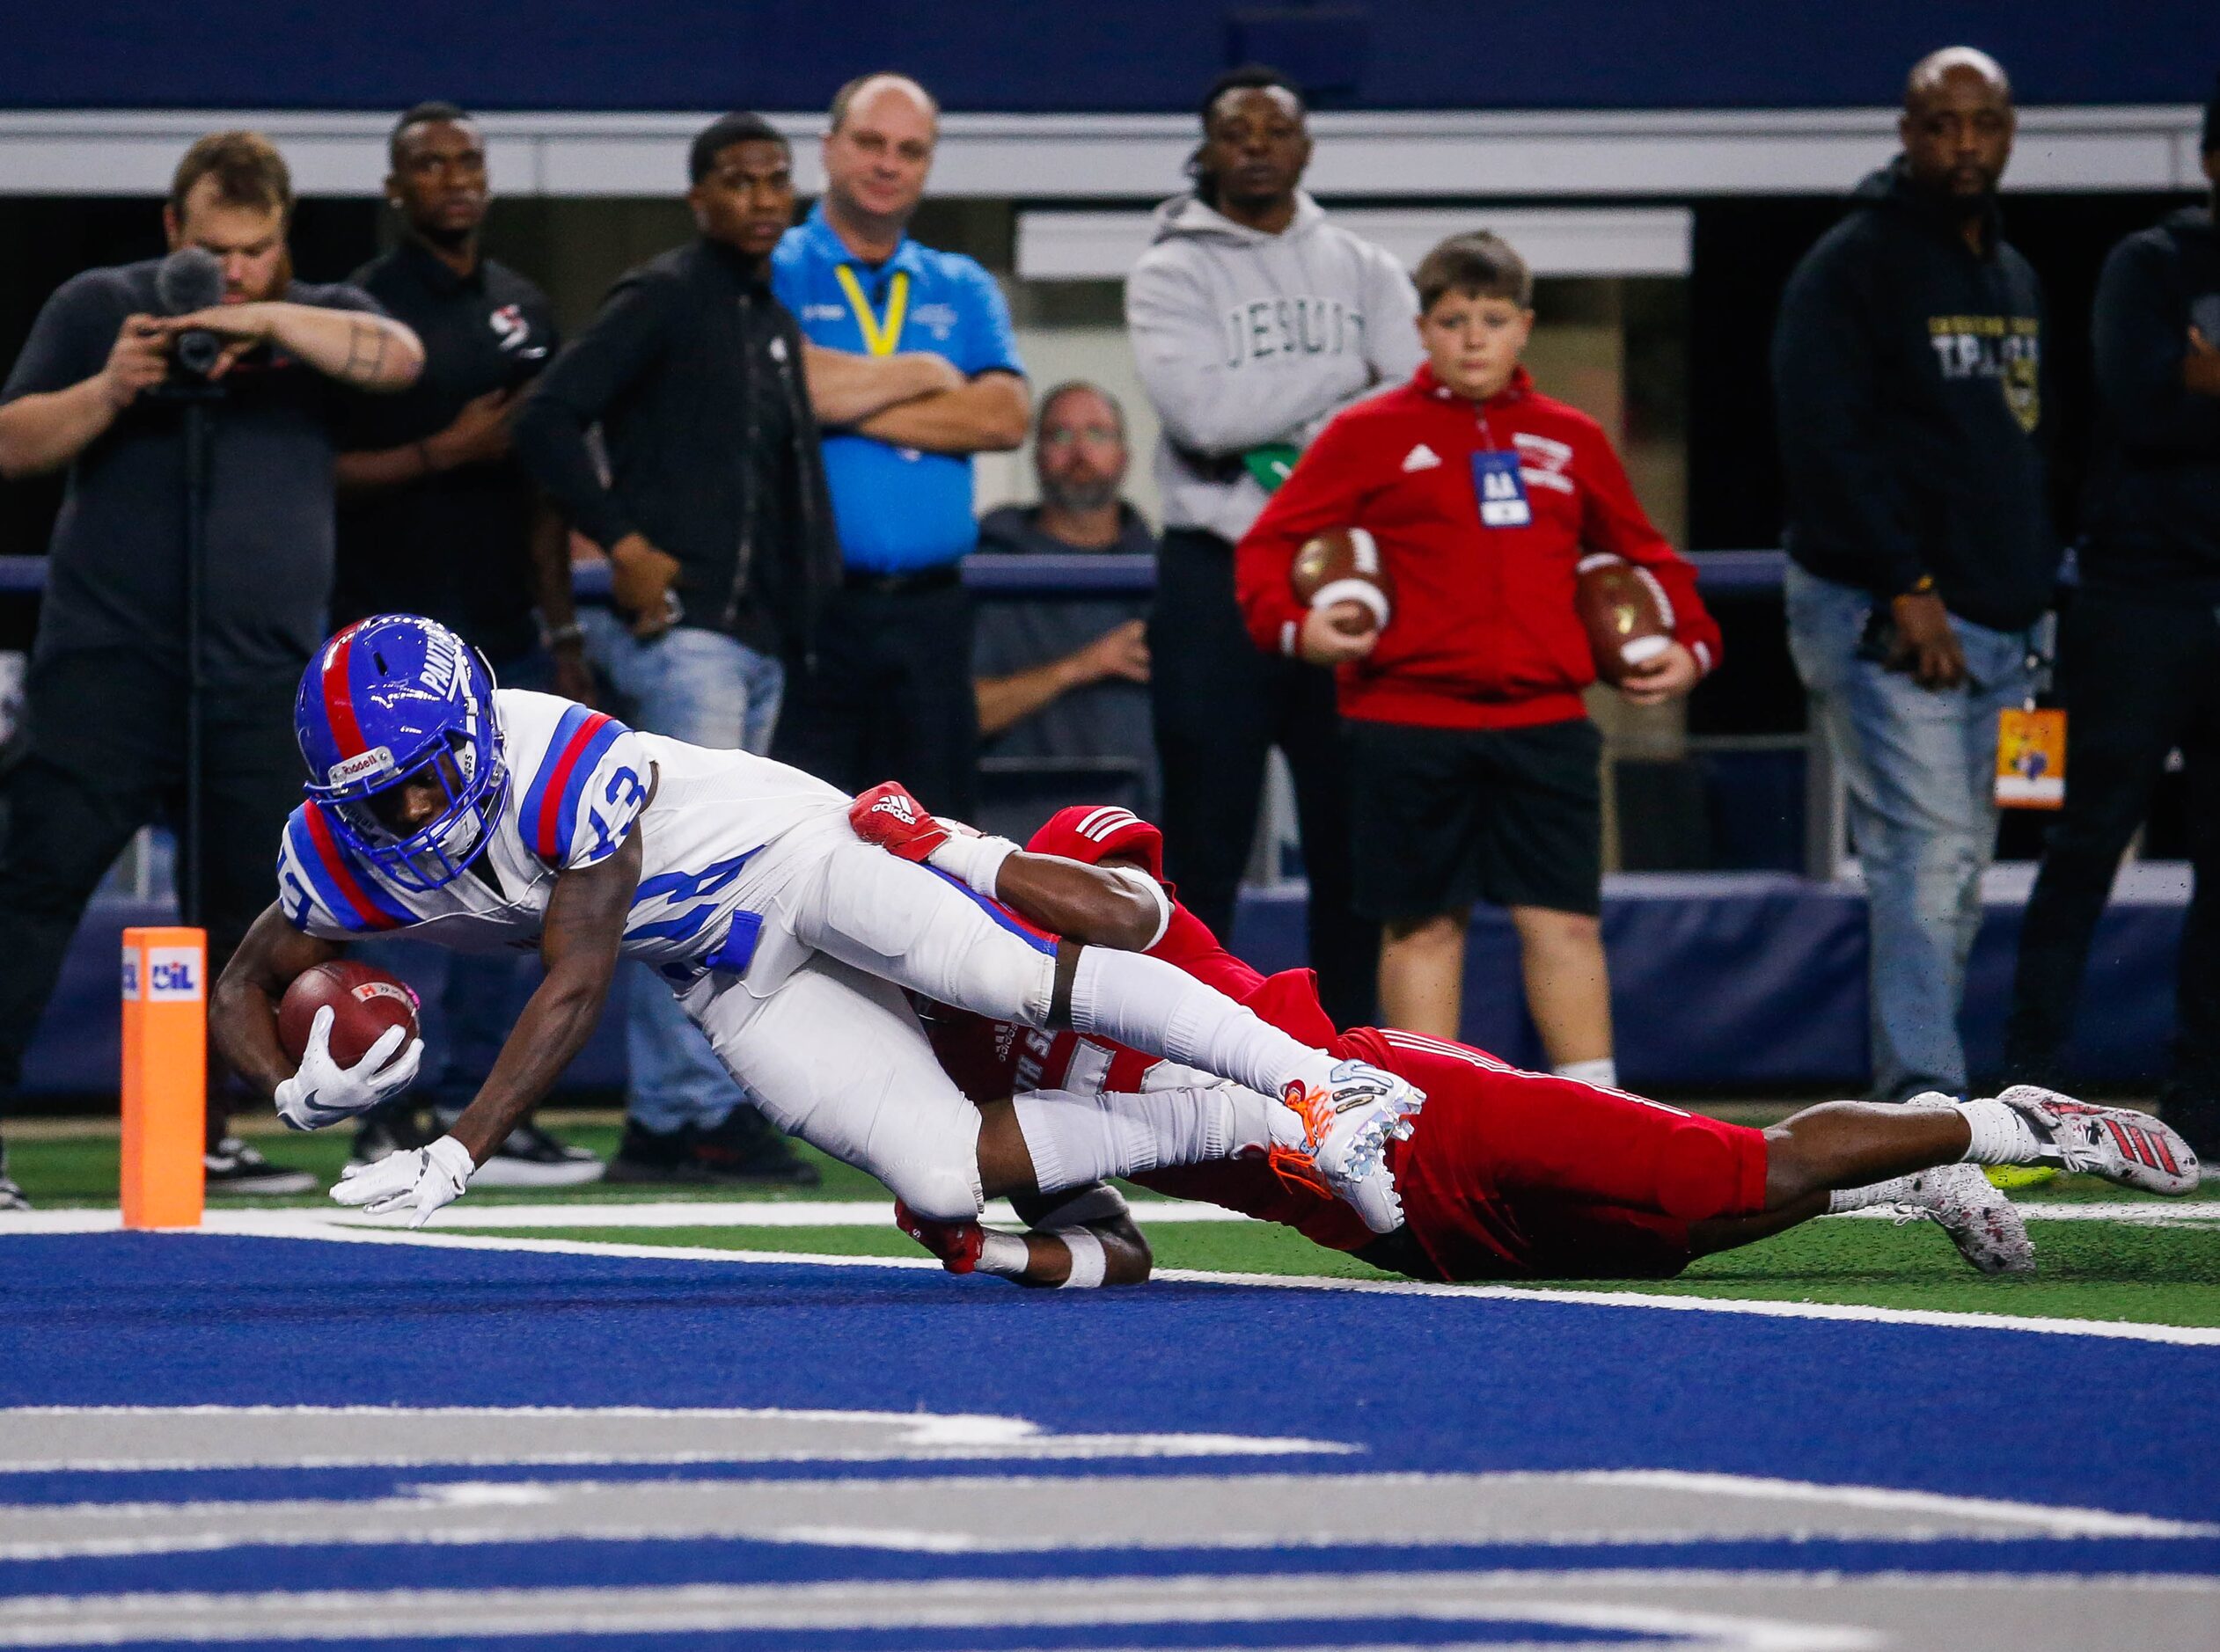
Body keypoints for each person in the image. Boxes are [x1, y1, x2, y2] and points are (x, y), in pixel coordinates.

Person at [206, 614, 1425, 1241]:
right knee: (943, 1174)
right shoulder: (336, 856)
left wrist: (461, 1146)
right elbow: (246, 980)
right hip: (721, 968)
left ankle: (1321, 1078)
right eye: (375, 795)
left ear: (475, 731)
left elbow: (575, 979)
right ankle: (1267, 1125)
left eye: (424, 777)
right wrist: (287, 1087)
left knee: (1009, 976)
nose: (408, 812)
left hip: (793, 857)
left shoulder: (558, 761)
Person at [874, 804, 2199, 1290]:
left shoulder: (1060, 889)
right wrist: (979, 1231)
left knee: (1712, 1177)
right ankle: (1891, 1166)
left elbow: (1119, 896)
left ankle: (2015, 1120)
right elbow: (1117, 1247)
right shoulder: (961, 1068)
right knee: (1659, 1241)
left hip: (1404, 1102)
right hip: (1372, 1227)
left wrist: (946, 848)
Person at [514, 112, 942, 1187]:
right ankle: (673, 1120)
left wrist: (805, 620)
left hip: (755, 639)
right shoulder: (665, 294)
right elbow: (545, 419)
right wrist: (620, 542)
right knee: (668, 878)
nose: (761, 199)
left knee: (731, 892)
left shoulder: (765, 312)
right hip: (688, 635)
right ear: (698, 196)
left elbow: (783, 484)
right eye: (739, 182)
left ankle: (705, 1110)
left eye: (774, 182)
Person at [0, 131, 423, 1210]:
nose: (230, 271)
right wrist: (112, 386)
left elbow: (405, 360)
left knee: (256, 913)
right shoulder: (106, 304)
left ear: (284, 241)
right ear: (171, 232)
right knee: (30, 892)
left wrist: (263, 320)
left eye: (255, 251)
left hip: (258, 686)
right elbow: (11, 441)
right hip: (105, 667)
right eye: (211, 251)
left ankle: (214, 1132)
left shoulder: (314, 318)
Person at [1235, 232, 1720, 1086]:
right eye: (1454, 319)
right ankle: (1428, 1121)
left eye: (1492, 319)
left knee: (1564, 923)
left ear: (1523, 326)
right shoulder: (1366, 433)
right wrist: (1293, 628)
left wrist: (1694, 648)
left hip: (1547, 724)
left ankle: (1592, 1119)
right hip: (1402, 725)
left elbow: (1651, 555)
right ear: (1422, 328)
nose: (1472, 338)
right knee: (1422, 927)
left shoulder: (1570, 438)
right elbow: (1270, 546)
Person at [1773, 48, 2057, 1104]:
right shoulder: (1854, 264)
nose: (1966, 145)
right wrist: (1908, 586)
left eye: (1983, 124)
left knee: (1962, 866)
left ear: (2011, 129)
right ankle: (1921, 1101)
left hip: (2003, 620)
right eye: (1943, 126)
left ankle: (1928, 1091)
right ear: (1908, 131)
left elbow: (2021, 445)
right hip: (1886, 614)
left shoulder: (2009, 271)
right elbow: (1822, 440)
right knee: (1927, 857)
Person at [332, 101, 597, 1187]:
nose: (454, 179)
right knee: (400, 886)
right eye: (429, 165)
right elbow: (324, 475)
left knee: (517, 882)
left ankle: (503, 1109)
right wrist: (449, 449)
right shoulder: (359, 313)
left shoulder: (523, 306)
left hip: (497, 642)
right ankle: (384, 1105)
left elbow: (540, 489)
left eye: (468, 161)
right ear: (395, 189)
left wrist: (563, 625)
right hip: (385, 660)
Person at [1126, 64, 1421, 1030]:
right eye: (1233, 128)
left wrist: (1343, 397)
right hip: (1217, 575)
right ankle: (1191, 1047)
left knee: (1352, 839)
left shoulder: (1366, 266)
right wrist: (1345, 370)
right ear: (1207, 150)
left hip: (1346, 572)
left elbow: (1409, 407)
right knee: (1207, 838)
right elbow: (1205, 414)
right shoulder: (1169, 269)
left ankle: (1352, 1059)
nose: (1254, 142)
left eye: (1274, 127)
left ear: (1305, 147)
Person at [2007, 77, 2220, 1156]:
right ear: (2213, 161)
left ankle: (2207, 1105)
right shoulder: (2150, 263)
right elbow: (2143, 404)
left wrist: (2208, 378)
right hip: (2138, 601)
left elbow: (2183, 399)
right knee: (2087, 846)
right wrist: (2180, 388)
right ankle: (2029, 1090)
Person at [770, 73, 1029, 822]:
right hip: (813, 608)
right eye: (870, 143)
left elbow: (1004, 418)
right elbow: (781, 392)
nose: (888, 164)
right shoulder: (777, 267)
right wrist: (920, 374)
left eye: (909, 150)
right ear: (827, 148)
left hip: (932, 612)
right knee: (803, 835)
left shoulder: (962, 282)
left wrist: (837, 400)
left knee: (940, 837)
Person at [973, 382, 1158, 837]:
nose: (1079, 451)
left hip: (1145, 839)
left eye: (1097, 434)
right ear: (1035, 455)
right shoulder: (986, 568)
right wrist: (1085, 665)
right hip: (1009, 833)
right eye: (1059, 435)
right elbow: (964, 713)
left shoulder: (1163, 573)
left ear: (1125, 456)